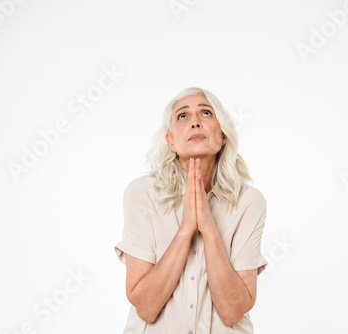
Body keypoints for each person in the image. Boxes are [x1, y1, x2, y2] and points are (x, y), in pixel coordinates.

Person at [114, 87, 268, 333]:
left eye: (206, 113)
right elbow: (145, 307)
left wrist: (208, 228)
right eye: (182, 116)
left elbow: (232, 312)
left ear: (223, 136)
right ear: (170, 141)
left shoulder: (249, 202)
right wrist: (186, 229)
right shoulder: (141, 194)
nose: (195, 122)